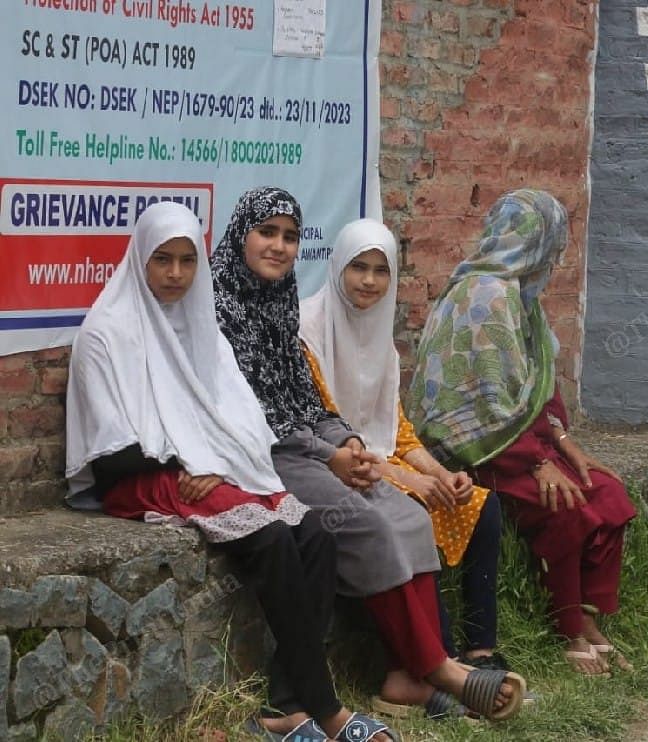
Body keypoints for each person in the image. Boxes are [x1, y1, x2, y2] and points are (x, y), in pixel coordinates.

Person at [64, 202, 396, 742]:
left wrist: (216, 463)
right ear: (140, 260)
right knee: (271, 539)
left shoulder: (202, 327)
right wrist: (188, 462)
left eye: (186, 261)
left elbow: (239, 415)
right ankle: (325, 707)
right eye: (162, 261)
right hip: (141, 475)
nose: (175, 275)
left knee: (313, 534)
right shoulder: (107, 333)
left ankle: (285, 707)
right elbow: (109, 454)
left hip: (206, 468)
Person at [210, 186, 526, 721]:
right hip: (262, 455)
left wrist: (347, 442)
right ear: (241, 235)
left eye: (289, 236)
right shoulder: (221, 310)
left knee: (405, 513)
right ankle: (439, 669)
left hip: (317, 448)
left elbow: (312, 403)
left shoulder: (278, 303)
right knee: (368, 521)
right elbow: (256, 415)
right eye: (267, 233)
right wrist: (336, 452)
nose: (280, 247)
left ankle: (409, 675)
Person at [407, 189, 637, 676]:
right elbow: (491, 402)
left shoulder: (522, 297)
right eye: (551, 242)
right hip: (472, 448)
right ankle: (570, 627)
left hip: (518, 440)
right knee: (565, 505)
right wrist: (538, 461)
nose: (556, 253)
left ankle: (590, 617)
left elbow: (538, 388)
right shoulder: (486, 295)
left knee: (608, 492)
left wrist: (564, 444)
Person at [299, 218, 511, 672]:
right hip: (337, 465)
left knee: (477, 504)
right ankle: (443, 660)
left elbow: (397, 431)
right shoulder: (308, 333)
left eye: (381, 270)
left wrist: (439, 474)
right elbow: (323, 427)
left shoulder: (382, 343)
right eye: (359, 267)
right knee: (413, 511)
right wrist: (402, 476)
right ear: (338, 268)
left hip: (383, 457)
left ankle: (482, 651)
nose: (370, 281)